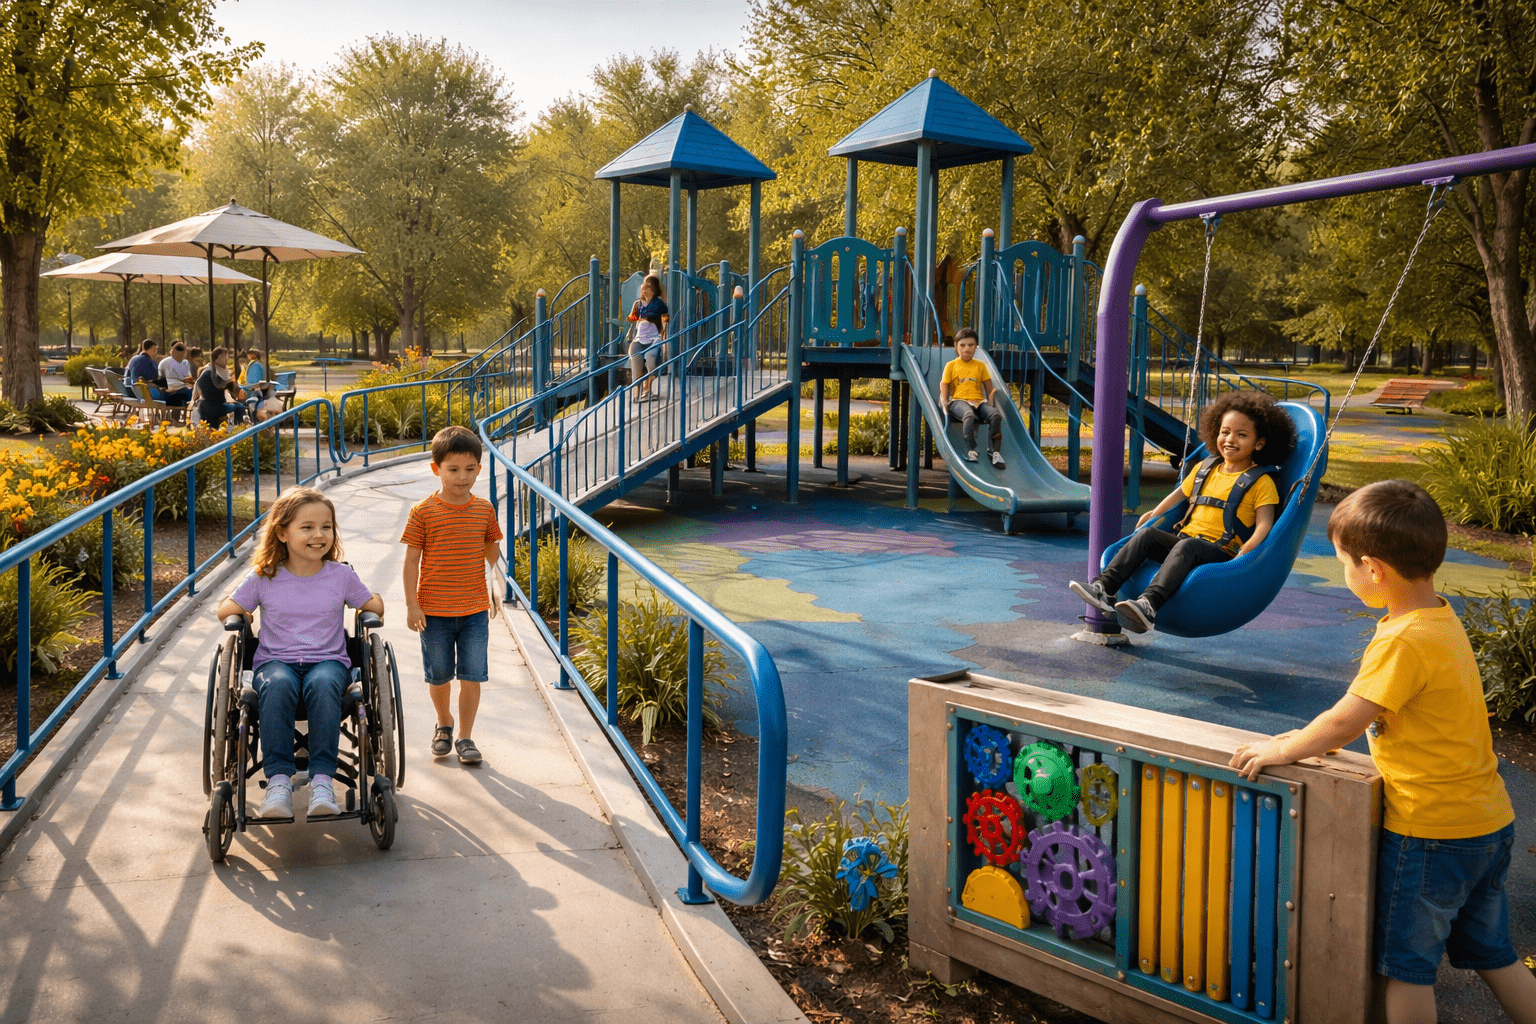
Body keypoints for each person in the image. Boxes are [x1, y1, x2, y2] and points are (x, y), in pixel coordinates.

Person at [1231, 481, 1535, 1024]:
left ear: (1372, 570)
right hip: (1486, 822)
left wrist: (1283, 746)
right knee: (1493, 953)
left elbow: (1345, 720)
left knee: (1406, 969)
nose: (1345, 573)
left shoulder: (1402, 640)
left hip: (1430, 831)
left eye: (1344, 563)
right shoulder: (1439, 618)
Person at [216, 488, 384, 819]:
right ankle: (278, 782)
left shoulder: (341, 575)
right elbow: (226, 609)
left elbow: (372, 606)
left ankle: (322, 781)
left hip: (328, 662)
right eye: (307, 527)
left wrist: (372, 601)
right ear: (282, 533)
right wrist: (241, 612)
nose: (319, 535)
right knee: (277, 684)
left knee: (323, 683)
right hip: (275, 663)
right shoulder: (264, 575)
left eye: (326, 527)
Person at [1069, 390, 1296, 634]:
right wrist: (1153, 514)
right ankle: (1104, 588)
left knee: (1187, 546)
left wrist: (1248, 549)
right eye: (1225, 432)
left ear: (1259, 443)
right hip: (1185, 543)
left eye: (1242, 435)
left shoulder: (1261, 482)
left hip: (1222, 551)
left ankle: (1149, 605)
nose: (1230, 440)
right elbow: (1177, 496)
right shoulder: (1205, 469)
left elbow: (1265, 523)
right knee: (1147, 535)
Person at [401, 425, 504, 765]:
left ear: (479, 468)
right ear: (436, 469)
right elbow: (411, 562)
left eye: (470, 469)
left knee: (472, 675)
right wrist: (412, 605)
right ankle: (444, 722)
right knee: (440, 675)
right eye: (453, 469)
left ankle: (465, 736)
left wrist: (493, 578)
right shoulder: (423, 511)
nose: (462, 477)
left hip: (474, 610)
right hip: (434, 612)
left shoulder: (485, 509)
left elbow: (491, 553)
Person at [939, 327, 1005, 468]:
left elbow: (989, 387)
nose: (966, 349)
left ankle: (994, 452)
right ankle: (972, 449)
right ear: (956, 347)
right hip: (958, 401)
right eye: (962, 345)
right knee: (969, 415)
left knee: (996, 415)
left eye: (971, 345)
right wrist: (944, 401)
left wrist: (994, 396)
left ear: (976, 347)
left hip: (978, 402)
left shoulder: (980, 366)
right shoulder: (951, 365)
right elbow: (944, 384)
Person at [627, 274, 668, 402]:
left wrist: (662, 330)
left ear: (653, 290)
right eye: (643, 288)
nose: (644, 291)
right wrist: (635, 320)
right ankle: (636, 393)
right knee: (636, 365)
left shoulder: (659, 303)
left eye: (647, 288)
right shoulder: (638, 303)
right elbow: (633, 318)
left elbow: (665, 319)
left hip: (653, 338)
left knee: (651, 360)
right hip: (639, 337)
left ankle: (648, 389)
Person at [194, 346, 247, 429]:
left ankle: (235, 428)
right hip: (214, 406)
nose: (227, 360)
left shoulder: (208, 370)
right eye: (226, 358)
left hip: (206, 406)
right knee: (239, 407)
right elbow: (226, 385)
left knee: (213, 429)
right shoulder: (215, 371)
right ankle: (238, 430)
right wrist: (237, 390)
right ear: (219, 358)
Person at [156, 340, 195, 408]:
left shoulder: (163, 361)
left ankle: (177, 411)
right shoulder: (182, 362)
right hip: (173, 392)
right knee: (193, 393)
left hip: (166, 393)